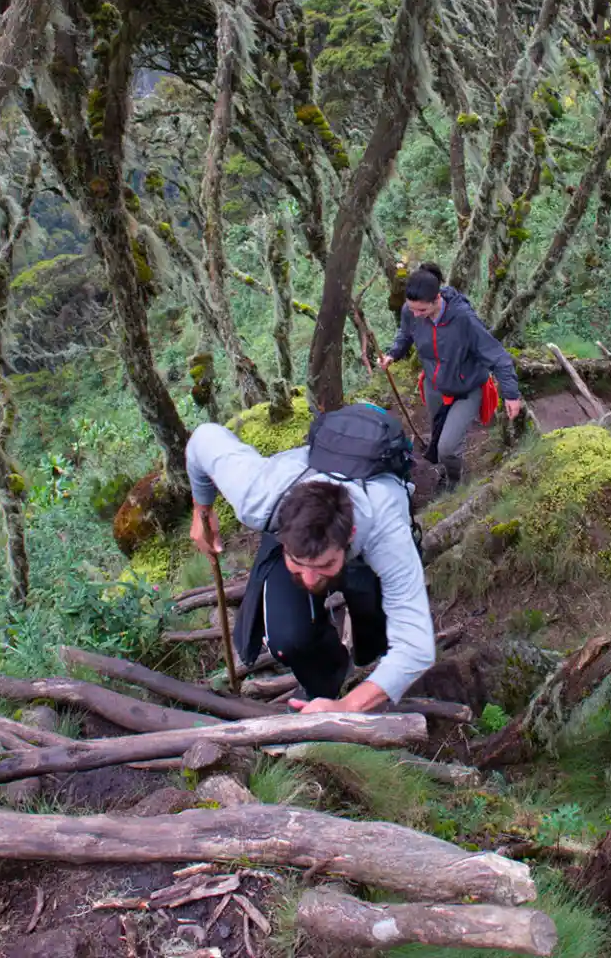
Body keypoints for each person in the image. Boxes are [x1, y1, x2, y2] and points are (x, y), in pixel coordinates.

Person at [185, 406, 435, 713]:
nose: (310, 579)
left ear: (350, 534)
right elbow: (202, 439)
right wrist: (203, 511)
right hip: (296, 518)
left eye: (324, 566)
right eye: (299, 564)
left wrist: (348, 706)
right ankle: (325, 679)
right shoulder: (258, 496)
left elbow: (416, 646)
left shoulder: (386, 532)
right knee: (287, 639)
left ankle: (368, 657)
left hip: (366, 543)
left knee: (374, 625)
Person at [377, 263, 523, 491]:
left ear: (437, 299)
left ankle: (455, 482)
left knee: (447, 447)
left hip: (467, 388)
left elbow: (498, 357)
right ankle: (447, 468)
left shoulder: (463, 319)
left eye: (422, 311)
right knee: (439, 434)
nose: (416, 315)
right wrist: (393, 354)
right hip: (434, 386)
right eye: (412, 309)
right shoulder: (411, 312)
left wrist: (511, 395)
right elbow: (405, 334)